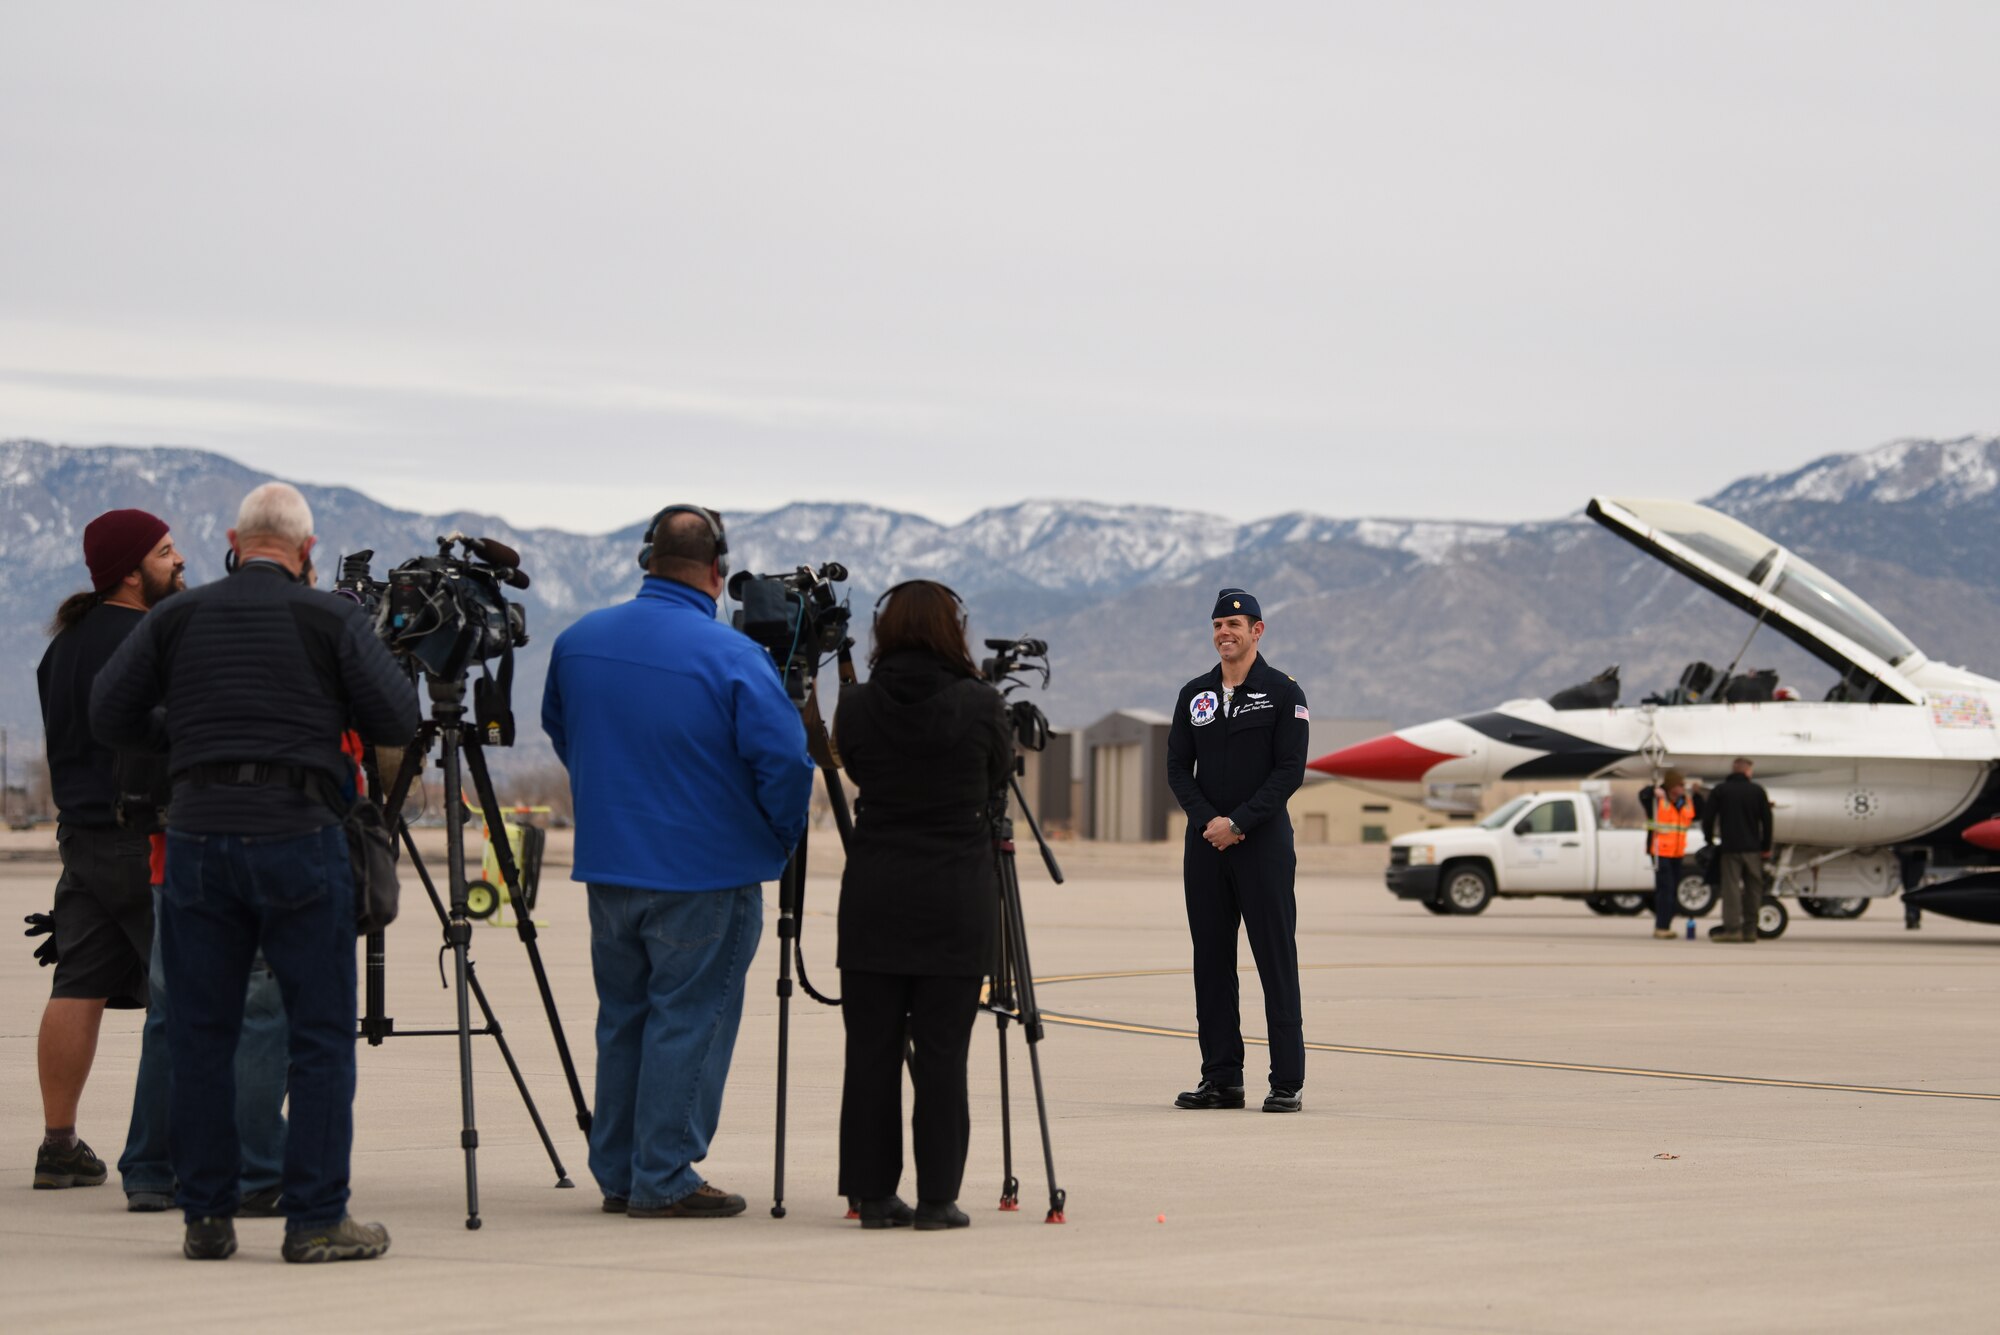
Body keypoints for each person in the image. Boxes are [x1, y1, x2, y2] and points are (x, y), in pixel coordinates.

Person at [92, 482, 420, 1263]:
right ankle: (314, 1218)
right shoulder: (332, 617)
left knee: (201, 1033)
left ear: (234, 544)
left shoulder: (177, 616)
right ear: (306, 553)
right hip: (299, 835)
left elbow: (110, 715)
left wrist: (185, 729)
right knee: (319, 1035)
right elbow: (398, 719)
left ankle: (206, 1216)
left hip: (200, 839)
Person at [541, 504, 812, 1220]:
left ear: (645, 560)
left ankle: (620, 1169)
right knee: (689, 1019)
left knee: (623, 1016)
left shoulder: (578, 641)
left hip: (611, 865)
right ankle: (664, 1172)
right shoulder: (733, 655)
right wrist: (775, 836)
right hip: (706, 872)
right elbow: (786, 760)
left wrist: (614, 797)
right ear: (717, 574)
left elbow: (563, 730)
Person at [832, 581, 1012, 1232]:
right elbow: (998, 776)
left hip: (875, 894)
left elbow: (852, 764)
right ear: (952, 629)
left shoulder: (855, 706)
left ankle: (873, 1194)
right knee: (943, 1056)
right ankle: (938, 1197)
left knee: (871, 1054)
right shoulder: (982, 703)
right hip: (955, 897)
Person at [31, 510, 184, 1192]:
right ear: (130, 569)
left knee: (77, 984)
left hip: (82, 839)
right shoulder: (155, 639)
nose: (179, 560)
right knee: (188, 990)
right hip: (146, 835)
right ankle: (176, 1150)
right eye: (165, 550)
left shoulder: (62, 646)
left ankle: (59, 1143)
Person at [1165, 587, 1311, 1114]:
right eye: (1218, 626)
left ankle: (1287, 1080)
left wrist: (1241, 822)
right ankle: (1221, 1078)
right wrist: (1210, 822)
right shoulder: (1195, 695)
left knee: (1274, 958)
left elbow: (1289, 771)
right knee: (1211, 961)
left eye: (1236, 624)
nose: (1225, 633)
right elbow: (1178, 767)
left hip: (1262, 844)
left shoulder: (1282, 692)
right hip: (1206, 846)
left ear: (1258, 630)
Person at [1702, 757, 1773, 943]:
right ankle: (1750, 930)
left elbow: (1708, 818)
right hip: (1753, 849)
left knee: (1731, 888)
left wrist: (1709, 840)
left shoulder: (1721, 790)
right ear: (1748, 771)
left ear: (1734, 770)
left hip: (1730, 848)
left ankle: (1733, 930)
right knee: (1753, 889)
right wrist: (1766, 846)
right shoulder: (1757, 791)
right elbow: (1767, 821)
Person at [1639, 769, 1704, 940]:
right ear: (1670, 786)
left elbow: (1698, 814)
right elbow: (1643, 796)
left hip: (1677, 852)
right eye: (1679, 785)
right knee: (1665, 889)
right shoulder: (1657, 800)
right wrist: (1653, 791)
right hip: (1660, 851)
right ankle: (1662, 926)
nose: (1683, 788)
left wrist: (1697, 795)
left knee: (1672, 889)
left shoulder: (1685, 802)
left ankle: (1666, 924)